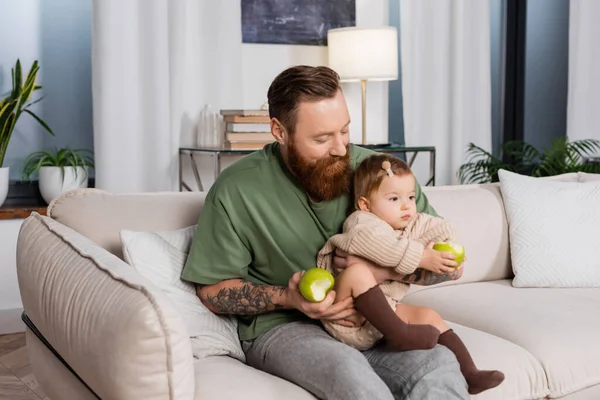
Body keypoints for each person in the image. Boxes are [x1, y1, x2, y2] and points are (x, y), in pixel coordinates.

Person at [181, 65, 470, 399]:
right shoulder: (237, 190)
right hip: (287, 328)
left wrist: (380, 269)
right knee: (350, 374)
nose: (340, 149)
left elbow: (443, 264)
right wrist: (289, 298)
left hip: (379, 321)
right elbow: (213, 291)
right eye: (321, 138)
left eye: (344, 131)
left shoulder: (380, 175)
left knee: (438, 366)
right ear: (279, 130)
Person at [316, 154, 505, 395]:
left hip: (381, 318)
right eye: (394, 198)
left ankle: (470, 373)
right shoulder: (361, 224)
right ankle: (401, 335)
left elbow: (441, 226)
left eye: (411, 197)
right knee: (357, 272)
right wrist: (423, 257)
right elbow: (384, 248)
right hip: (347, 315)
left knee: (429, 315)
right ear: (365, 204)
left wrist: (447, 247)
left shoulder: (408, 224)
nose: (406, 206)